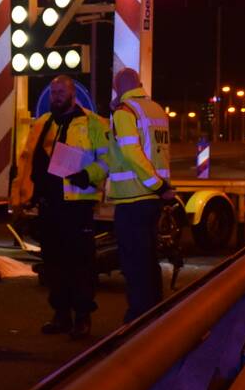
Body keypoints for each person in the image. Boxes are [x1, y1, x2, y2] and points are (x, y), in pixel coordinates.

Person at [13, 75, 109, 339]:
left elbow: (107, 160)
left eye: (60, 91)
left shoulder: (93, 123)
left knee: (80, 264)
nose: (55, 96)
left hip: (77, 205)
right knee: (54, 264)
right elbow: (27, 160)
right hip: (49, 204)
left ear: (72, 93)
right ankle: (61, 315)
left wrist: (88, 175)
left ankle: (82, 317)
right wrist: (23, 196)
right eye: (53, 91)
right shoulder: (43, 123)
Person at [106, 67, 175, 323]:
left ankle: (137, 320)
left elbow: (131, 153)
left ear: (117, 88)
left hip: (134, 197)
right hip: (153, 200)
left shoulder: (126, 113)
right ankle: (155, 314)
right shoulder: (156, 110)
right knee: (148, 260)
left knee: (134, 263)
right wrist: (160, 188)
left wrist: (154, 184)